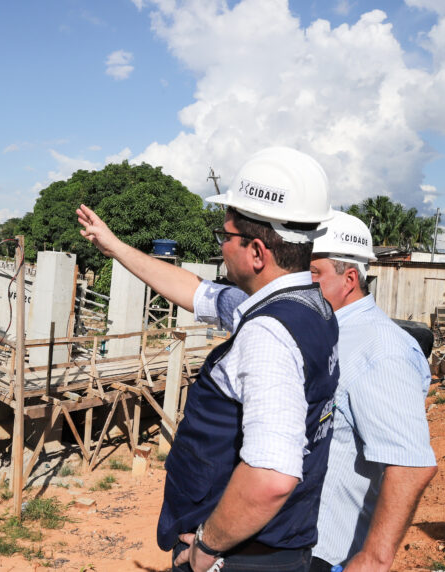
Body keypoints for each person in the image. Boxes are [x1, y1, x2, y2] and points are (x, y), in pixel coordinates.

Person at [77, 146, 340, 572]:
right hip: (274, 547)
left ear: (257, 252)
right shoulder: (306, 306)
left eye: (225, 236)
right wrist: (115, 247)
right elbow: (194, 291)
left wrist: (206, 548)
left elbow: (272, 476)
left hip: (239, 557)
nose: (221, 246)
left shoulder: (269, 333)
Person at [309, 211, 437, 572]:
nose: (302, 282)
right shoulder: (326, 330)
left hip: (327, 554)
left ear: (349, 278)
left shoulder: (381, 348)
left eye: (313, 273)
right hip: (294, 542)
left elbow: (410, 465)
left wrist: (374, 559)